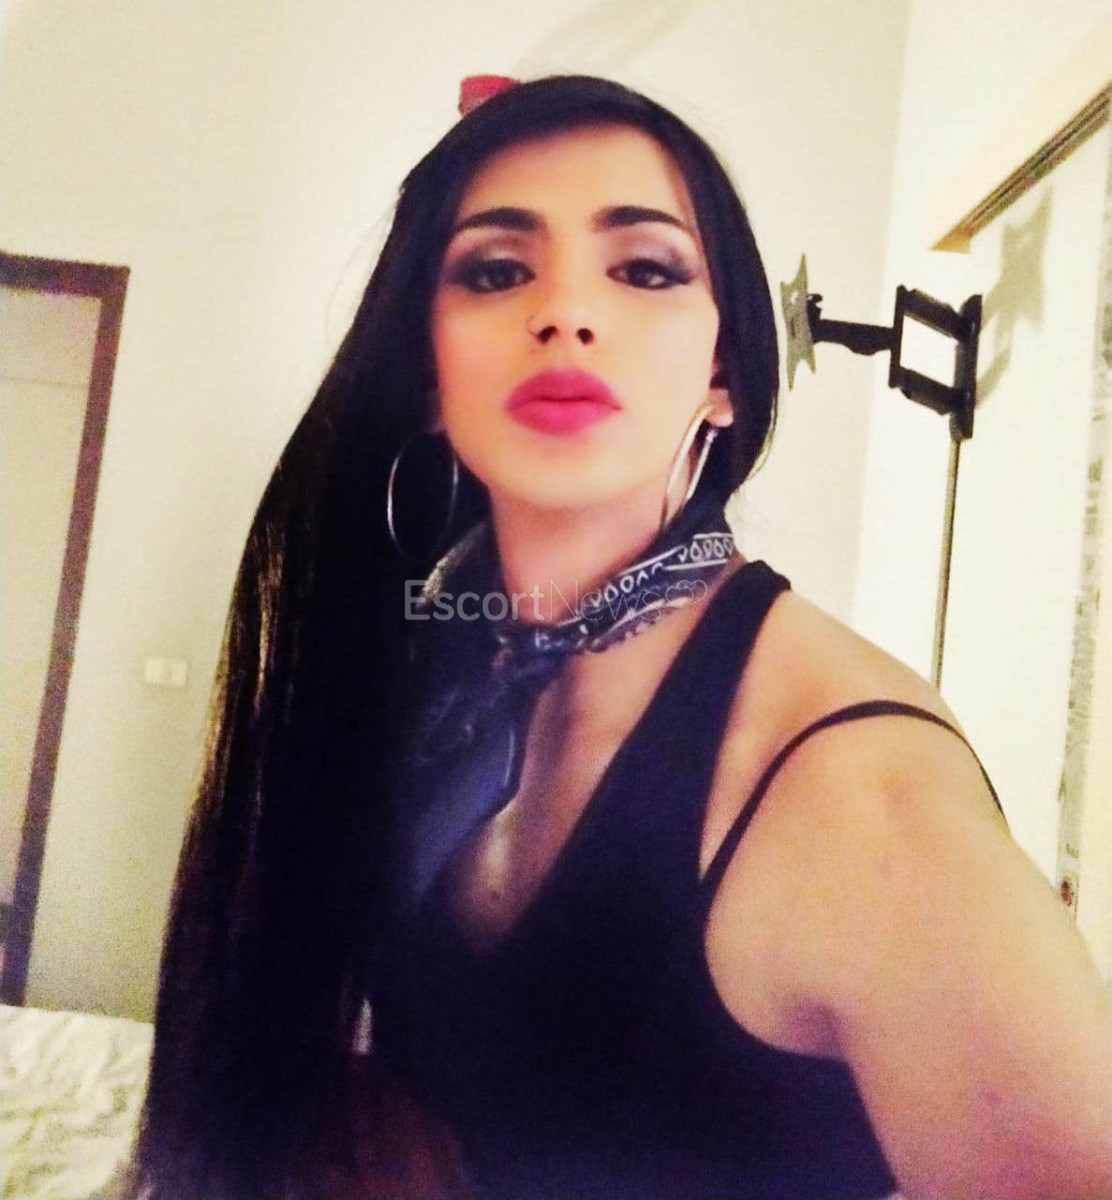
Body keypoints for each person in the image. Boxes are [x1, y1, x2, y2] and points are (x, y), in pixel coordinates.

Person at [128, 74, 1112, 1200]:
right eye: (496, 271)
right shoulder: (444, 670)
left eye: (644, 270)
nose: (564, 313)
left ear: (724, 375)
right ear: (429, 373)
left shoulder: (866, 803)